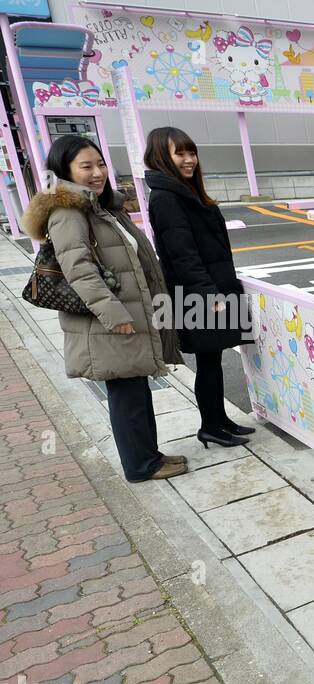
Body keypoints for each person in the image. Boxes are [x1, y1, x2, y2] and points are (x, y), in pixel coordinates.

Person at [21, 135, 186, 481]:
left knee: (136, 391)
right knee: (127, 397)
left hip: (124, 317)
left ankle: (149, 456)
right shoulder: (68, 212)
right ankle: (140, 466)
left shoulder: (99, 206)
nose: (97, 172)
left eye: (100, 164)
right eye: (86, 166)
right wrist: (115, 316)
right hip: (109, 322)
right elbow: (78, 270)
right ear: (64, 171)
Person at [144, 126, 253, 448]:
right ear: (161, 156)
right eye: (180, 153)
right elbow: (182, 255)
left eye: (191, 152)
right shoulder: (166, 197)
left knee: (213, 360)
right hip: (200, 294)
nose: (189, 160)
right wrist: (210, 295)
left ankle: (219, 421)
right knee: (208, 362)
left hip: (209, 289)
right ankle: (210, 426)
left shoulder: (183, 192)